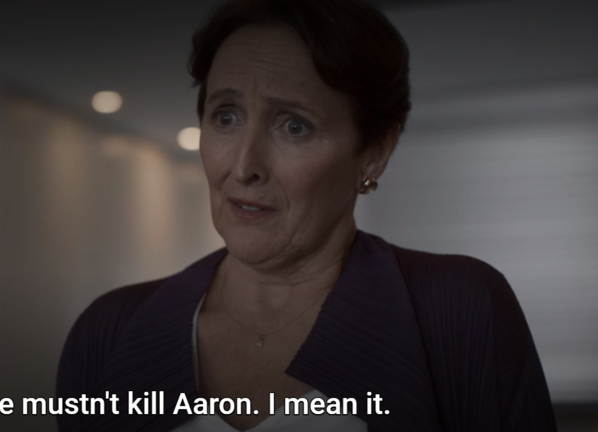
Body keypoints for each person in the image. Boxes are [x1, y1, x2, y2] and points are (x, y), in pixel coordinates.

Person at [57, 0, 557, 431]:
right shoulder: (109, 329)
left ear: (374, 153)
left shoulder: (462, 309)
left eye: (294, 126)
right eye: (226, 116)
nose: (243, 167)